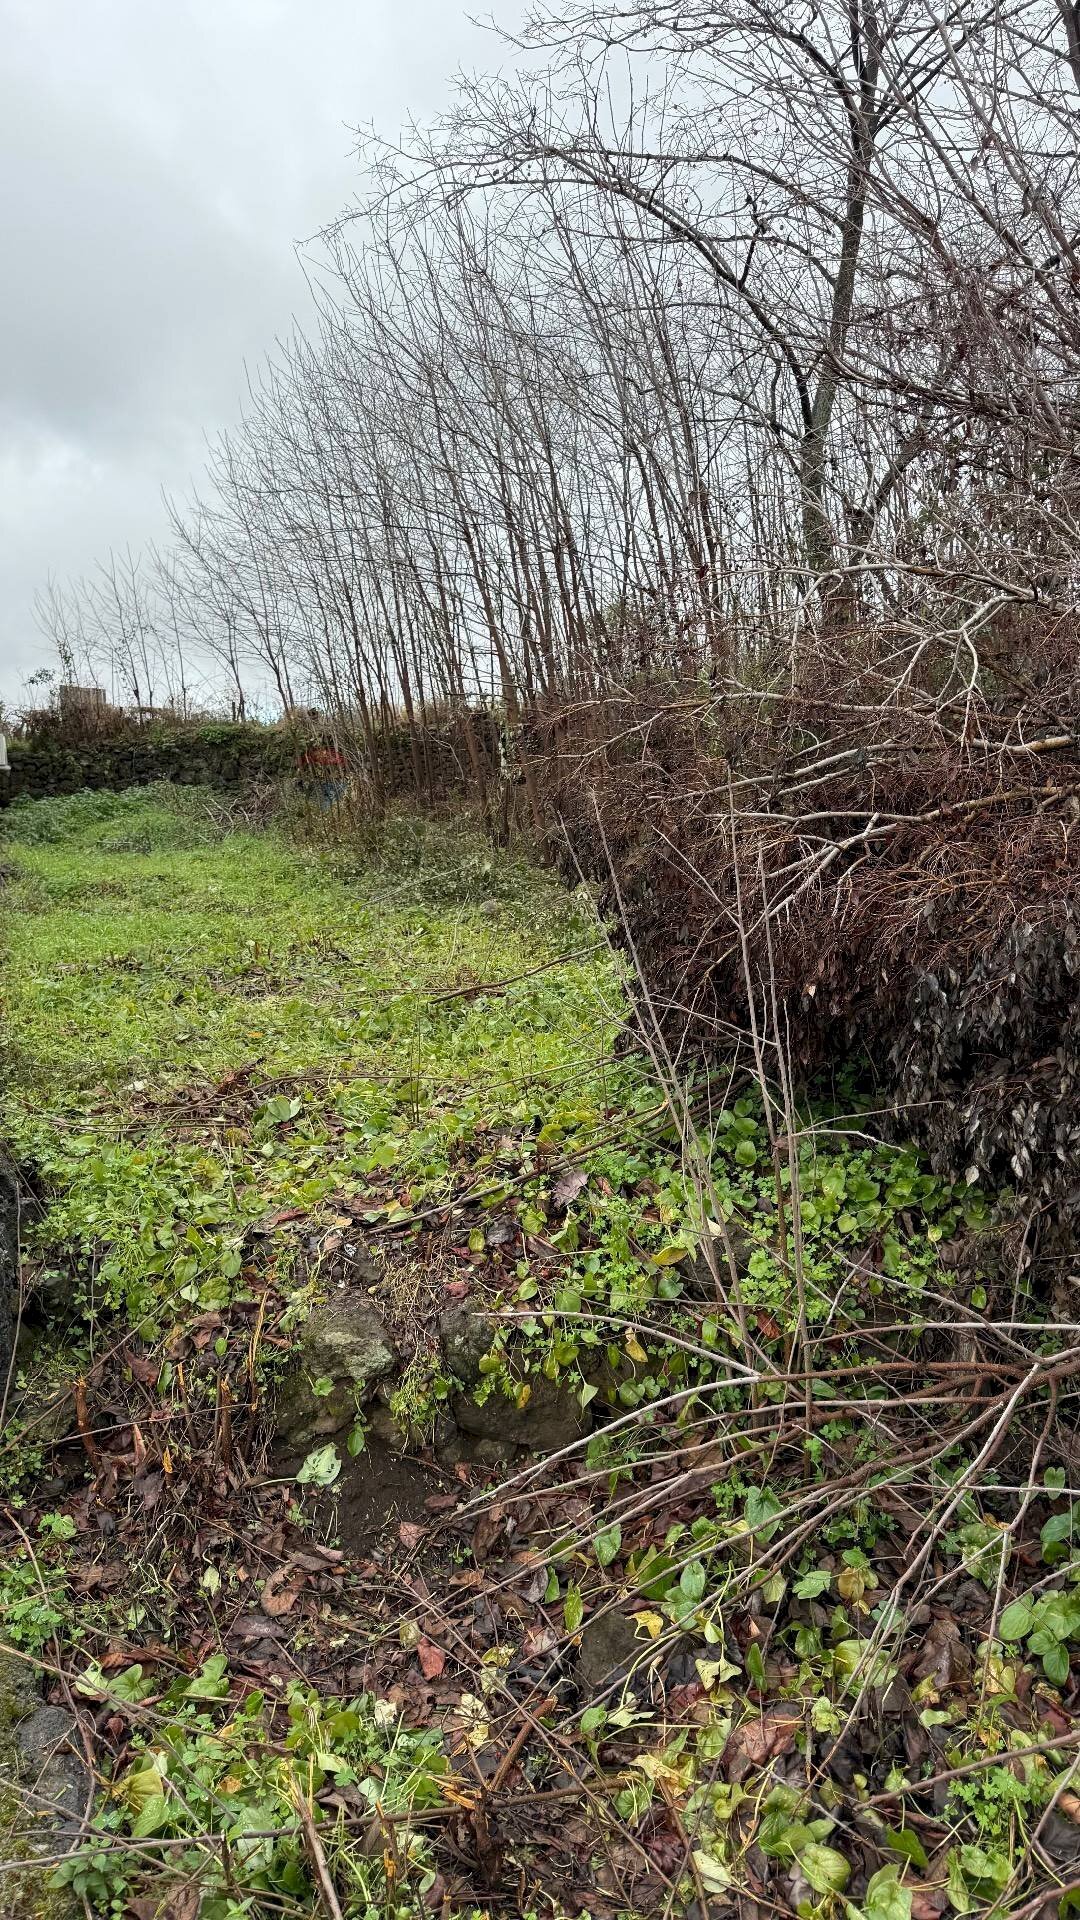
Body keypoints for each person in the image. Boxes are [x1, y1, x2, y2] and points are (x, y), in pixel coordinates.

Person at [298, 734, 348, 810]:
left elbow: (340, 762)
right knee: (328, 801)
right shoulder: (309, 757)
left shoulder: (332, 754)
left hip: (333, 781)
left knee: (333, 799)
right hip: (323, 782)